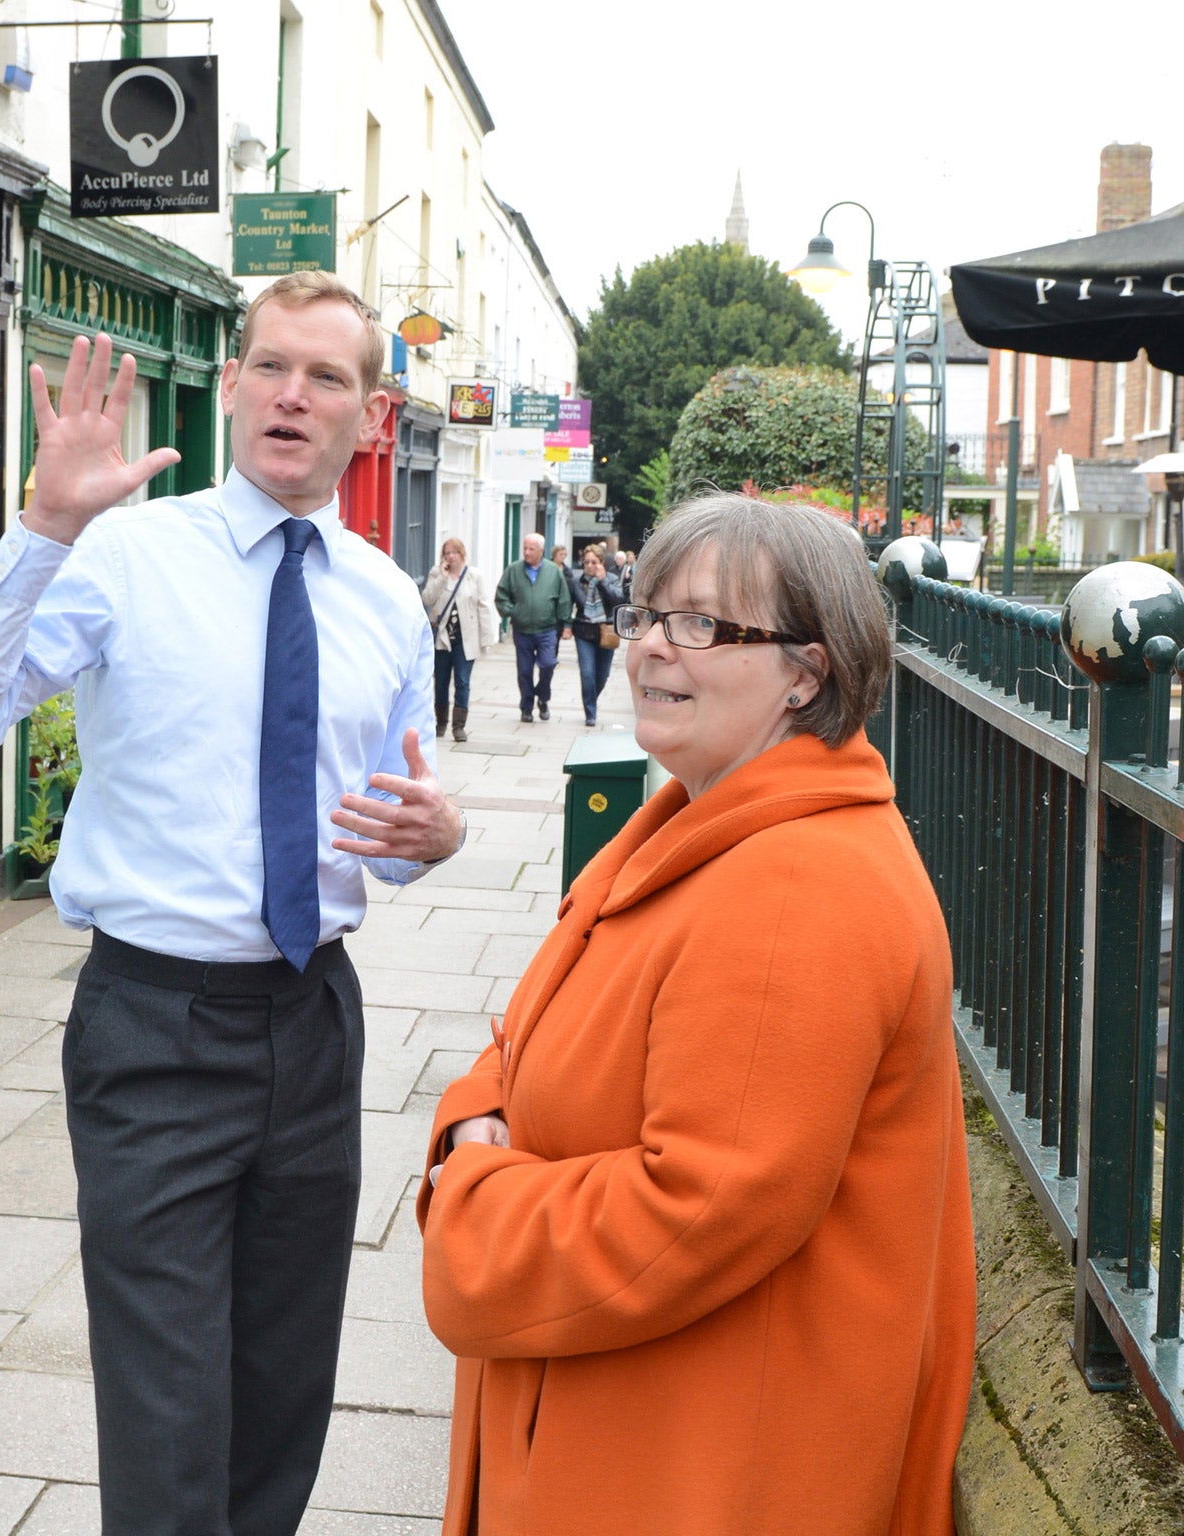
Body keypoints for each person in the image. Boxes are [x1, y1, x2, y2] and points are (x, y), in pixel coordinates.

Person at [0, 270, 466, 1536]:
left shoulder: (384, 602)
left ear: (368, 418)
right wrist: (43, 525)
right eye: (270, 366)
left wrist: (431, 838)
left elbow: (385, 835)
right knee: (165, 1415)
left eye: (326, 377)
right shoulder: (122, 557)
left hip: (314, 1022)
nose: (291, 395)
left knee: (281, 1392)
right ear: (228, 386)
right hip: (153, 1026)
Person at [416, 493, 976, 1536]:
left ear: (805, 672)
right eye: (644, 615)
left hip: (698, 1467)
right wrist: (473, 1118)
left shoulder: (794, 889)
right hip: (637, 1425)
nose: (645, 652)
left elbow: (698, 1209)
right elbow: (527, 1031)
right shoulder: (699, 819)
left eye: (700, 626)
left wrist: (476, 1201)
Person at [420, 537, 497, 743]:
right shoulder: (437, 573)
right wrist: (442, 579)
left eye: (454, 552)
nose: (450, 556)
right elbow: (427, 599)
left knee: (462, 681)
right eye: (447, 553)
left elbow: (483, 605)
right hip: (443, 638)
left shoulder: (474, 576)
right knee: (441, 682)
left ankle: (459, 726)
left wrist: (486, 638)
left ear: (462, 554)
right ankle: (441, 722)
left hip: (465, 638)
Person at [494, 530, 570, 723]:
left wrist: (567, 623)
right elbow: (501, 595)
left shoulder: (554, 571)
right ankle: (526, 706)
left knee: (548, 664)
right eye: (525, 548)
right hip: (523, 630)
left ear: (541, 551)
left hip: (547, 629)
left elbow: (563, 599)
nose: (526, 552)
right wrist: (513, 611)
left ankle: (543, 698)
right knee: (525, 671)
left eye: (531, 549)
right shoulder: (513, 570)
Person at [565, 546, 625, 726]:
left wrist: (603, 581)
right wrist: (566, 626)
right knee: (587, 674)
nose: (590, 566)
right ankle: (590, 712)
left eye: (594, 562)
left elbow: (619, 600)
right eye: (587, 562)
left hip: (606, 633)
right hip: (584, 631)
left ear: (601, 563)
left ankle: (591, 698)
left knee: (602, 675)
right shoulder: (576, 581)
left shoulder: (612, 579)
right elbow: (569, 605)